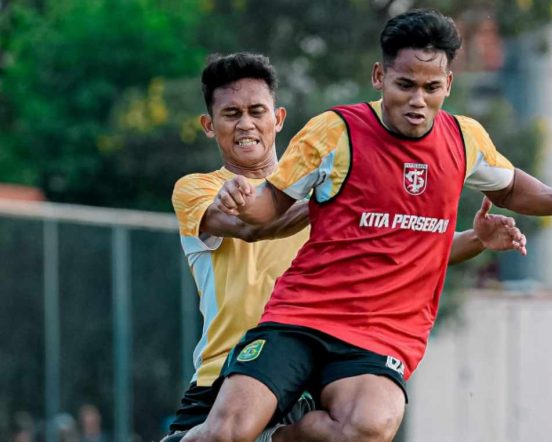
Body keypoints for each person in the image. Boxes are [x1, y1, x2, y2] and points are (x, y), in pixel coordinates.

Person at [184, 9, 552, 442]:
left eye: (431, 88)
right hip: (302, 317)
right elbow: (268, 210)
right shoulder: (335, 132)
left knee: (369, 426)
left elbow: (508, 187)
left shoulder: (464, 139)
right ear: (379, 76)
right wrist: (241, 201)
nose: (418, 101)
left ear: (448, 84)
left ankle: (277, 437)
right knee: (226, 432)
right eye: (405, 85)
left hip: (382, 334)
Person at [166, 51, 527, 441]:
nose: (246, 124)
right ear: (209, 125)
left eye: (256, 111)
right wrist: (334, 202)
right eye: (231, 114)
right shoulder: (198, 189)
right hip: (224, 377)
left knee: (362, 425)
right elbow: (252, 226)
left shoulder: (321, 182)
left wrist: (477, 239)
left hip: (310, 374)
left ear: (279, 118)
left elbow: (415, 252)